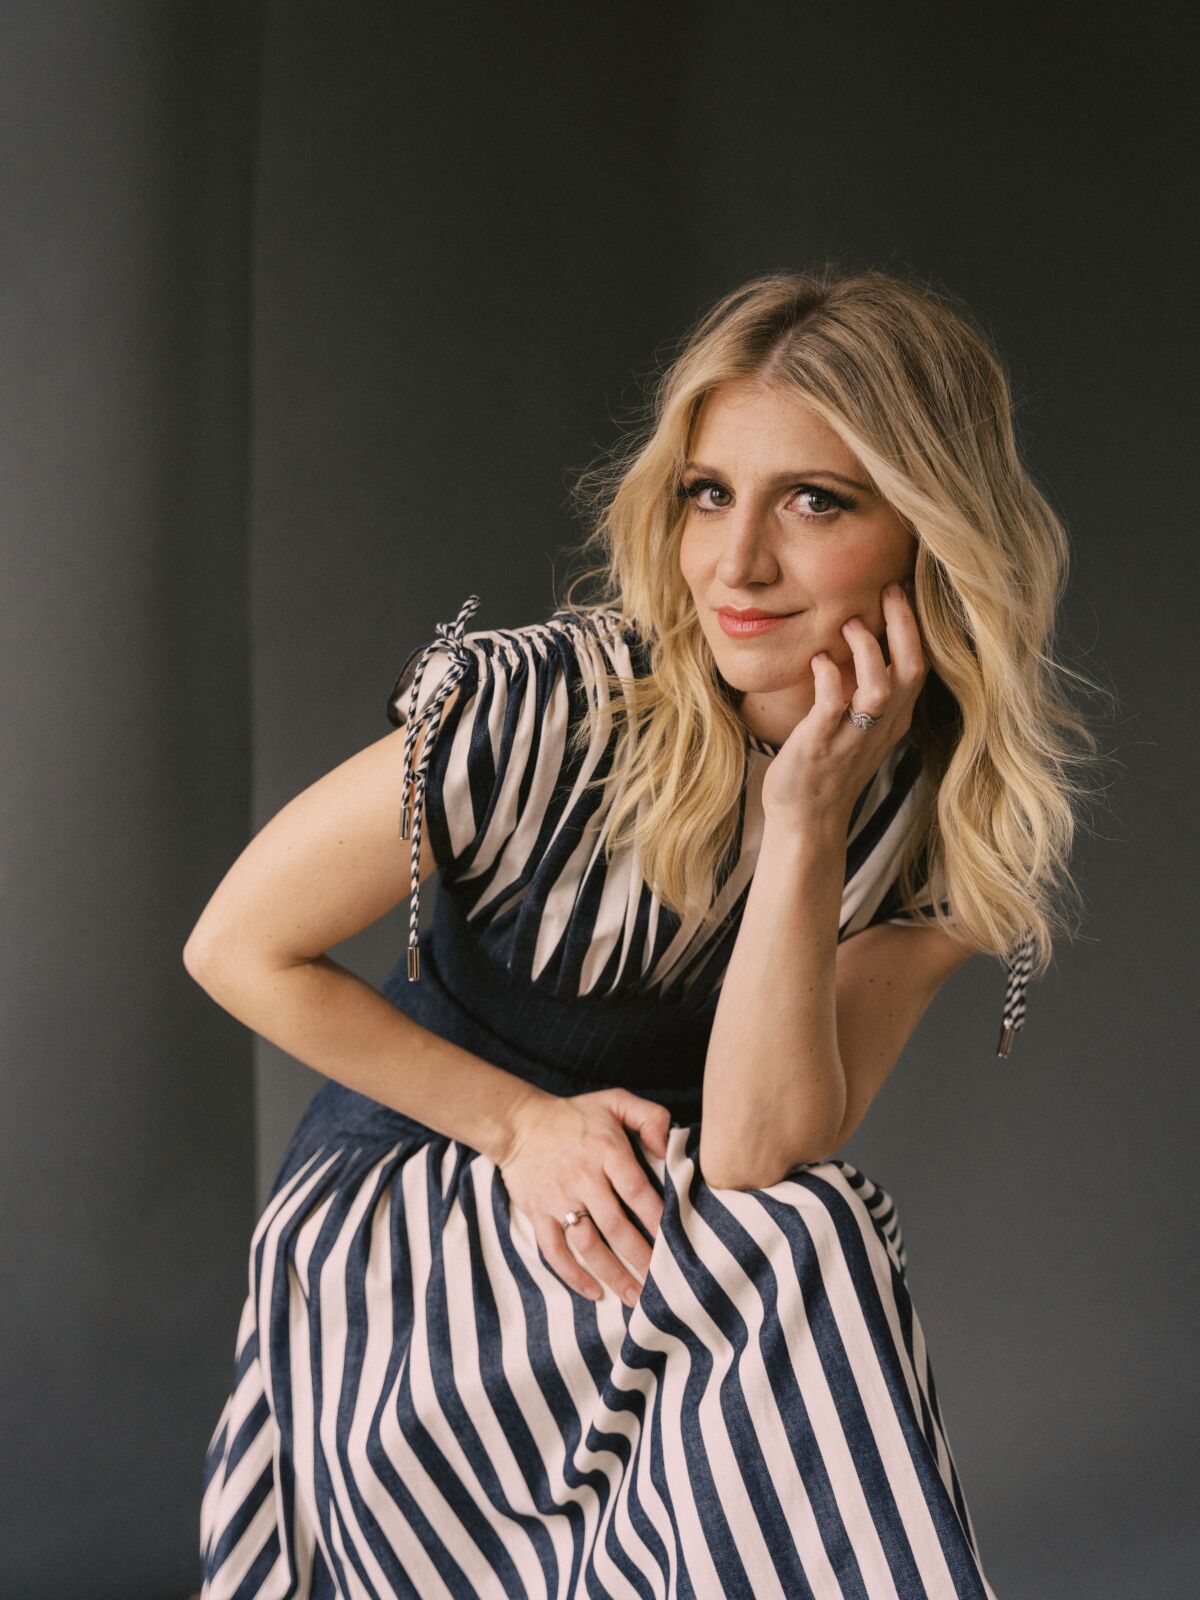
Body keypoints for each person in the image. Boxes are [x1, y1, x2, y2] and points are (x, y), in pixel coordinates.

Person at [189, 266, 1098, 1599]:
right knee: (801, 1236)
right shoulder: (547, 705)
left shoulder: (953, 826)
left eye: (815, 501)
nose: (738, 564)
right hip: (415, 1213)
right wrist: (519, 1128)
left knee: (805, 1221)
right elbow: (234, 944)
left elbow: (754, 1150)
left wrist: (803, 824)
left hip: (674, 1229)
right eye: (707, 493)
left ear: (928, 528)